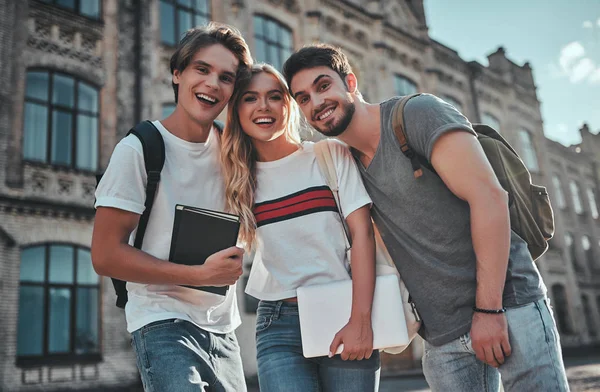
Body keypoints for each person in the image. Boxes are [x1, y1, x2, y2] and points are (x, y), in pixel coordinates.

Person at [282, 44, 570, 392]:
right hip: (441, 338)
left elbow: (490, 199)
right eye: (303, 98)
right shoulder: (344, 163)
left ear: (351, 82)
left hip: (509, 308)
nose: (316, 103)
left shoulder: (416, 115)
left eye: (323, 86)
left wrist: (490, 311)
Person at [91, 23, 253, 392]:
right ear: (177, 73)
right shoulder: (139, 148)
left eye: (226, 77)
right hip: (162, 322)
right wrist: (199, 275)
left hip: (224, 331)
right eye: (202, 69)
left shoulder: (235, 153)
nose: (212, 83)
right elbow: (104, 255)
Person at [220, 63, 380, 392]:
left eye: (274, 96)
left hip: (345, 311)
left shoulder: (329, 155)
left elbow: (363, 236)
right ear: (237, 110)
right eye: (250, 98)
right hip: (277, 324)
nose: (263, 106)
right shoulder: (237, 179)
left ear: (289, 105)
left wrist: (361, 320)